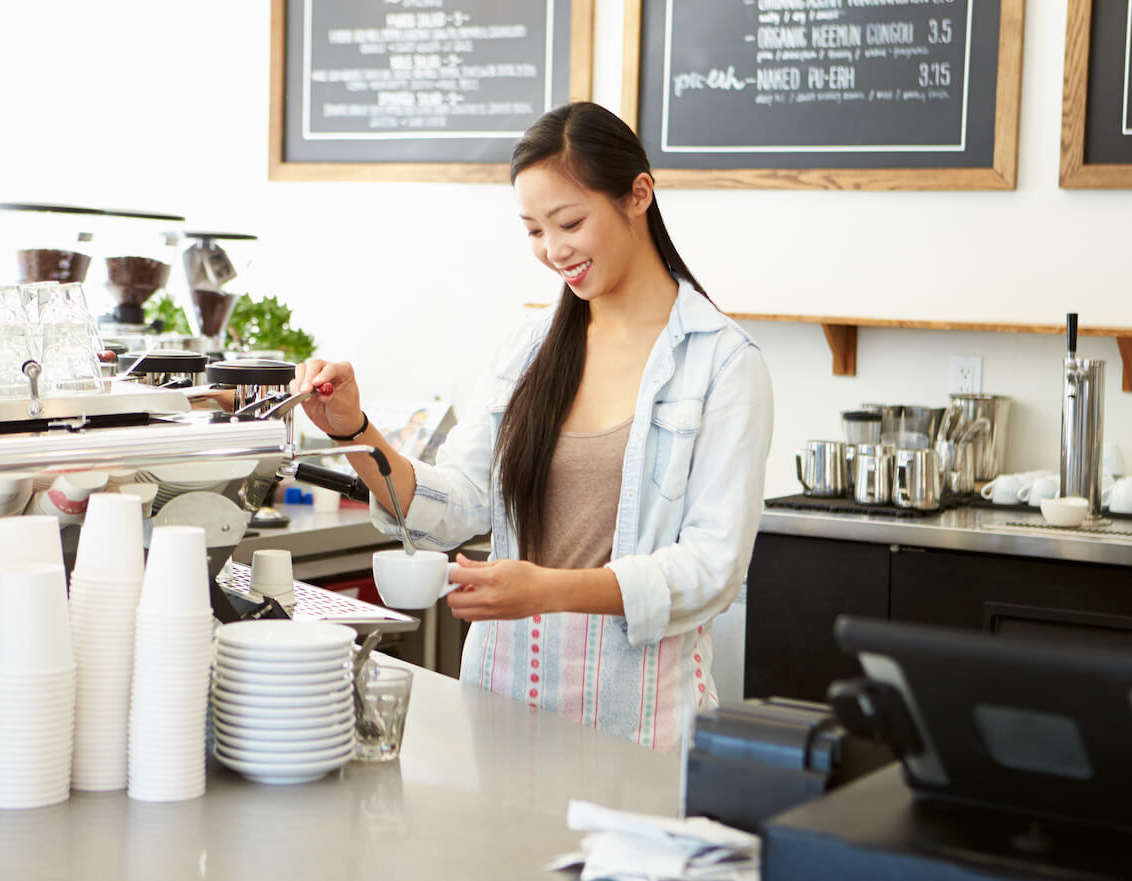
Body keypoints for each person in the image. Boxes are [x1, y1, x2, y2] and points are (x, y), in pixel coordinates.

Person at [291, 101, 773, 751]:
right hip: (501, 715)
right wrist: (356, 432)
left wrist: (549, 589)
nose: (553, 250)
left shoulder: (722, 362)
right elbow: (458, 503)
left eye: (569, 222)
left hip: (641, 731)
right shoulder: (527, 351)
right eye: (534, 231)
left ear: (639, 194)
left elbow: (711, 569)